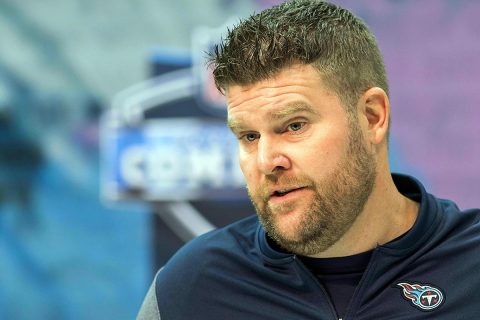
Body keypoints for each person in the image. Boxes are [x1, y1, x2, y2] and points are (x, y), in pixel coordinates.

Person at [137, 1, 480, 319]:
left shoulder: (471, 263)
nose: (267, 161)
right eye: (249, 137)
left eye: (294, 126)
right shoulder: (192, 287)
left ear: (372, 117)